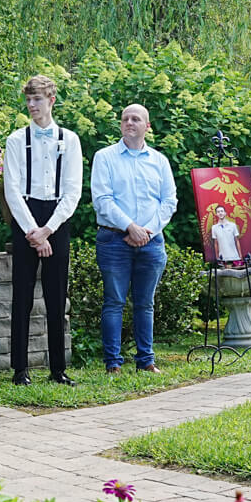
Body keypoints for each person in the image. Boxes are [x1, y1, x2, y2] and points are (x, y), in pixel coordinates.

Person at [2, 75, 82, 387]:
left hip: (57, 221)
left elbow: (73, 192)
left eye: (38, 99)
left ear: (51, 100)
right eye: (29, 100)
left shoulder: (70, 140)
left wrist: (48, 230)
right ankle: (19, 369)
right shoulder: (15, 140)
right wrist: (34, 232)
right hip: (26, 218)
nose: (32, 105)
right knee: (21, 296)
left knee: (56, 296)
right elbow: (11, 191)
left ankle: (58, 369)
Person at [90, 103, 177, 375]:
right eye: (125, 118)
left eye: (136, 119)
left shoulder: (160, 162)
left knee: (145, 303)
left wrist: (146, 230)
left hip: (151, 242)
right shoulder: (105, 158)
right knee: (114, 302)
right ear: (120, 125)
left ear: (147, 126)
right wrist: (130, 227)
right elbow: (102, 201)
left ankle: (146, 361)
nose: (129, 122)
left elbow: (169, 201)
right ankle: (113, 364)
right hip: (114, 241)